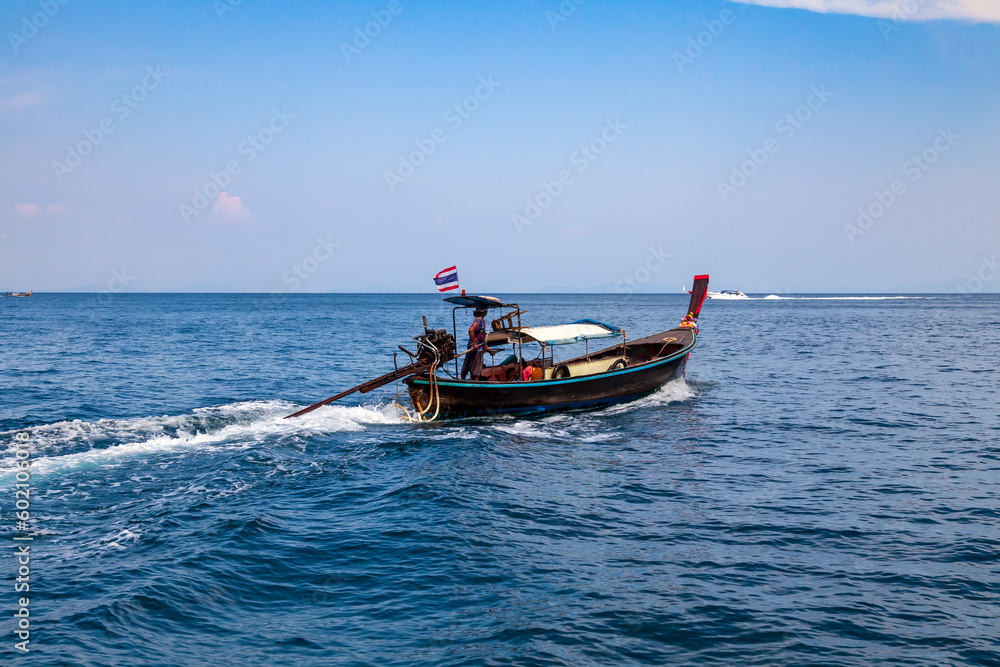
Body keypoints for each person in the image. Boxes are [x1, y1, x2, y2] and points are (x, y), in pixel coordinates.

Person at [460, 307, 493, 380]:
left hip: (474, 347)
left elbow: (481, 335)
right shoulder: (479, 320)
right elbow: (471, 330)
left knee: (466, 367)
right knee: (474, 371)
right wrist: (475, 344)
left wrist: (486, 347)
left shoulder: (480, 320)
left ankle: (464, 381)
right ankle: (468, 384)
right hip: (476, 349)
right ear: (483, 311)